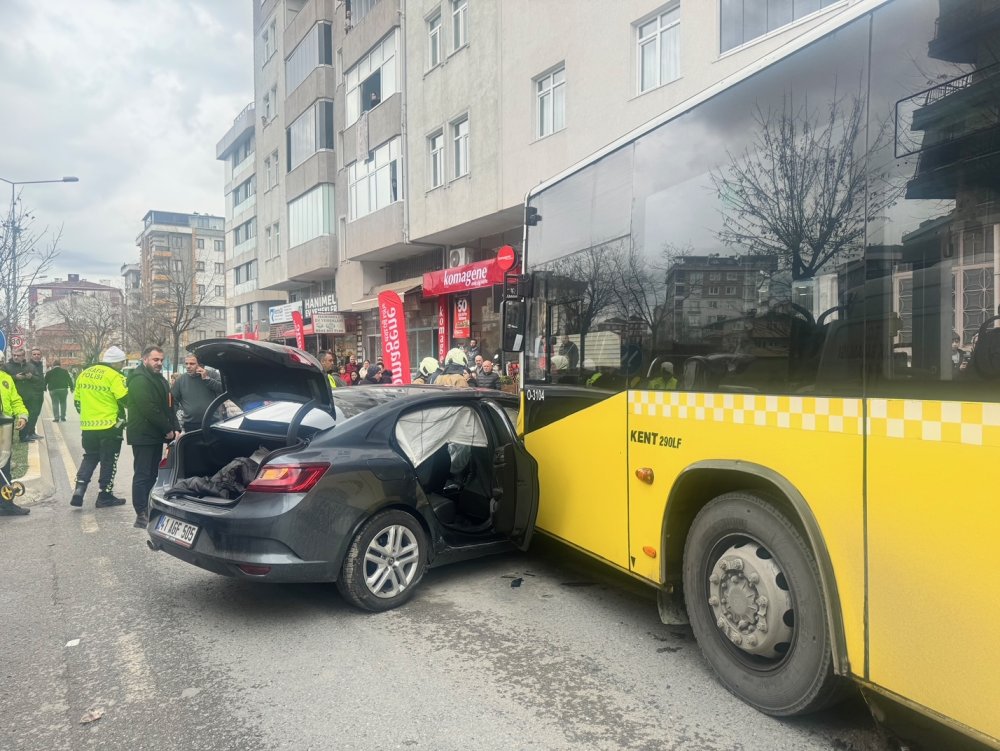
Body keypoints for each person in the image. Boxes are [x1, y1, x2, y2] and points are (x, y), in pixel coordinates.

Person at [70, 346, 129, 509]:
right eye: (123, 363)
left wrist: (89, 416)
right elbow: (126, 399)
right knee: (109, 460)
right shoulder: (115, 376)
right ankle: (105, 495)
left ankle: (79, 490)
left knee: (90, 457)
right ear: (117, 363)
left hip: (88, 427)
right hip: (110, 426)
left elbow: (77, 402)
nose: (123, 366)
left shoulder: (84, 374)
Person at [127, 346, 178, 529]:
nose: (158, 363)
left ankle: (149, 507)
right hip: (142, 434)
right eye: (155, 359)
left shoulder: (159, 379)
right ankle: (140, 513)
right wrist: (167, 429)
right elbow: (148, 407)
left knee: (153, 474)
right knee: (142, 474)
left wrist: (175, 427)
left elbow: (169, 405)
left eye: (160, 360)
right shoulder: (139, 380)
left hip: (155, 434)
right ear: (145, 359)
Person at [0, 367, 30, 516]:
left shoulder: (6, 378)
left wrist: (23, 415)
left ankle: (6, 505)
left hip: (5, 426)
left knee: (4, 465)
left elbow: (16, 400)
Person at [171, 354, 224, 433]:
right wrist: (175, 426)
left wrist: (207, 379)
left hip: (212, 423)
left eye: (192, 363)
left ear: (200, 365)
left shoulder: (212, 375)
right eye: (186, 363)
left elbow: (223, 389)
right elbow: (173, 402)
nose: (188, 366)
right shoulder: (180, 380)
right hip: (190, 425)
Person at [5, 348, 45, 442]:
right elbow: (2, 378)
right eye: (14, 355)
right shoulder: (6, 367)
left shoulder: (30, 366)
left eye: (18, 356)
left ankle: (23, 436)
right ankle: (8, 438)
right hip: (12, 396)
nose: (15, 357)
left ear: (23, 356)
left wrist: (31, 377)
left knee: (26, 416)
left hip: (28, 396)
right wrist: (15, 377)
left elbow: (38, 379)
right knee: (10, 418)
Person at [45, 358, 74, 422]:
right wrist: (72, 388)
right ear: (60, 365)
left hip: (53, 390)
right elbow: (69, 379)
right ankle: (63, 417)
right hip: (63, 389)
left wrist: (44, 388)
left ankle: (56, 418)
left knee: (55, 403)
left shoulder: (49, 373)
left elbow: (45, 381)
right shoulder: (65, 371)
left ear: (53, 365)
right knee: (63, 403)